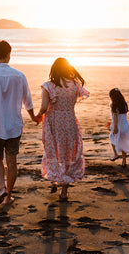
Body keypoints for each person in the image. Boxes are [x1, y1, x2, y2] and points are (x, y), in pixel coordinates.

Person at [0, 40, 38, 205]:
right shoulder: (19, 76)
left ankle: (2, 187)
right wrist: (33, 117)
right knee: (12, 161)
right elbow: (28, 101)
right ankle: (8, 197)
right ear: (9, 55)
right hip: (14, 126)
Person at [36, 57, 89, 201]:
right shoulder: (74, 85)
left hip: (54, 122)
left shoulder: (48, 86)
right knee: (67, 153)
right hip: (70, 121)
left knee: (52, 149)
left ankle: (54, 180)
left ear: (53, 70)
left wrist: (38, 115)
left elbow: (43, 107)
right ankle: (64, 191)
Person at [108, 88, 129, 167]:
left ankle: (115, 154)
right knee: (123, 142)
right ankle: (124, 161)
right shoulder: (124, 104)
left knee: (112, 137)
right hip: (126, 125)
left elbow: (115, 116)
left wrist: (115, 126)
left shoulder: (113, 104)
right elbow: (123, 115)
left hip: (118, 125)